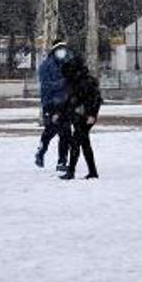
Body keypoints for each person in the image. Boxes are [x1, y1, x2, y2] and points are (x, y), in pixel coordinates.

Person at [35, 40, 74, 171]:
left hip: (65, 104)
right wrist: (64, 82)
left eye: (64, 49)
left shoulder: (67, 64)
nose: (62, 52)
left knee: (66, 133)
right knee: (51, 130)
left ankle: (62, 161)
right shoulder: (46, 66)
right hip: (51, 104)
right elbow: (46, 86)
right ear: (54, 51)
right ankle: (41, 150)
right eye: (60, 49)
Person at [60, 60, 102, 180]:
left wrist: (91, 115)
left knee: (76, 142)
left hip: (85, 117)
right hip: (81, 116)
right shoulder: (77, 81)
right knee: (83, 143)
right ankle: (92, 171)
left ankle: (72, 171)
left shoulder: (84, 82)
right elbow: (71, 100)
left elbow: (95, 99)